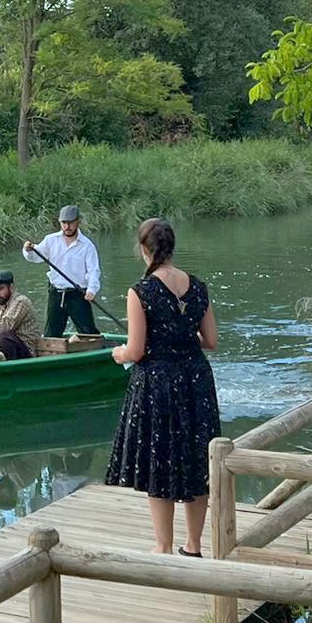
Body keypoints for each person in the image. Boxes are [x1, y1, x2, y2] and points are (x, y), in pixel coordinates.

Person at [105, 217, 220, 557]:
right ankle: (194, 545)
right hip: (196, 380)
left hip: (158, 383)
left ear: (144, 249)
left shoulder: (140, 292)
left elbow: (136, 351)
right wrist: (183, 334)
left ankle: (163, 546)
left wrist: (118, 354)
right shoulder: (198, 287)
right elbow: (211, 340)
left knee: (160, 460)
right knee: (197, 459)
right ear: (172, 247)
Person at [23, 204, 100, 338]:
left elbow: (93, 270)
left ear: (78, 222)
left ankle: (97, 348)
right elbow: (35, 257)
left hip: (78, 294)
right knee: (51, 334)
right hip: (56, 293)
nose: (67, 227)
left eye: (70, 223)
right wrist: (28, 250)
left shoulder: (88, 246)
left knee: (89, 333)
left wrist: (92, 289)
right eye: (64, 223)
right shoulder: (51, 240)